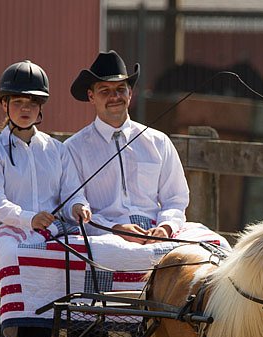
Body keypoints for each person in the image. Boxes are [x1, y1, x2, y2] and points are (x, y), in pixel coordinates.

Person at [64, 50, 230, 270]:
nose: (115, 97)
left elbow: (176, 198)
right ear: (91, 96)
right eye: (105, 90)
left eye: (120, 89)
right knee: (105, 253)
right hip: (104, 235)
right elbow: (72, 203)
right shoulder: (73, 148)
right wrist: (115, 228)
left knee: (218, 248)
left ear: (130, 93)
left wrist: (165, 228)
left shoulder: (158, 142)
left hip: (156, 232)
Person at [0, 60, 91, 337]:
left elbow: (71, 193)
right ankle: (22, 333)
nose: (25, 108)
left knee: (88, 254)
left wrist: (78, 207)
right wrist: (29, 219)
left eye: (32, 102)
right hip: (5, 232)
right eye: (17, 101)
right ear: (5, 105)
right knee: (19, 256)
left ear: (41, 107)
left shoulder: (57, 150)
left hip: (51, 230)